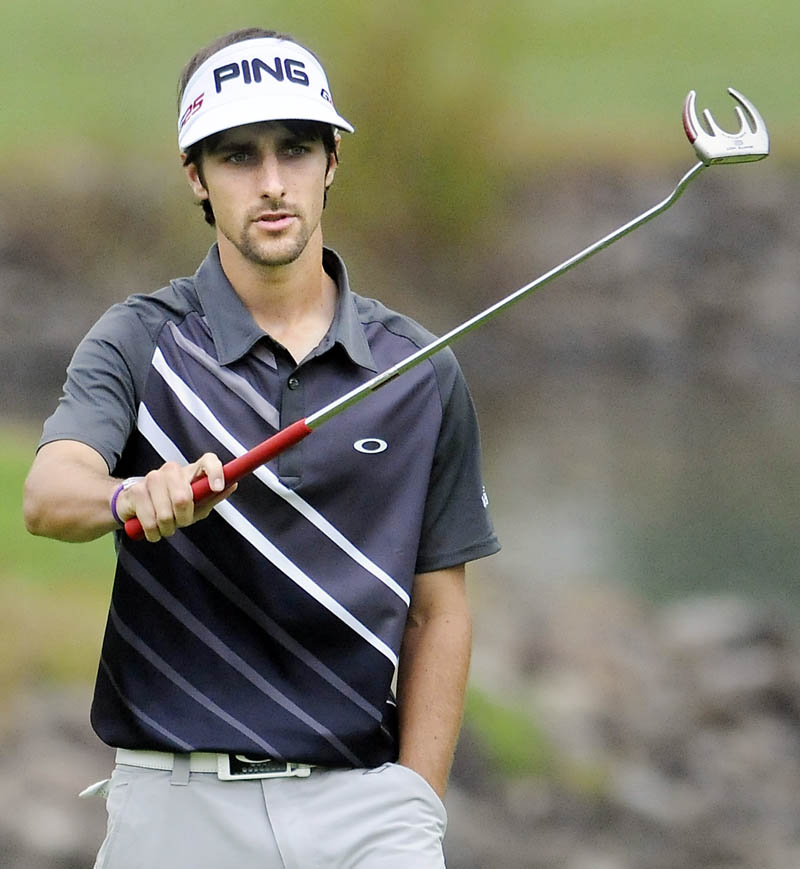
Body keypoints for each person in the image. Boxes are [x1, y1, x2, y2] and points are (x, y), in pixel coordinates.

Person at [23, 26, 499, 869]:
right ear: (196, 177)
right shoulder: (139, 340)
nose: (273, 183)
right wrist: (127, 495)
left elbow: (439, 609)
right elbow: (50, 492)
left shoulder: (419, 370)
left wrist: (416, 799)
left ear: (332, 162)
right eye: (238, 156)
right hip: (177, 807)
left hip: (367, 810)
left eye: (296, 149)